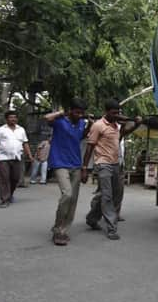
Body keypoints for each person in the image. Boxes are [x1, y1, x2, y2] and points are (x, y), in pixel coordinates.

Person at [82, 99, 141, 240]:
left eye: (118, 113)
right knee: (107, 195)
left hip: (116, 164)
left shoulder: (116, 126)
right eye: (114, 113)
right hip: (103, 164)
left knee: (115, 195)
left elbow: (124, 133)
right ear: (107, 112)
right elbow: (90, 147)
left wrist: (136, 124)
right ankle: (111, 228)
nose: (116, 115)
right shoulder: (98, 125)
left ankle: (92, 218)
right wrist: (84, 168)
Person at [45, 99, 91, 246]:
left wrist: (89, 125)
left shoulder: (81, 123)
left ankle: (63, 230)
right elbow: (47, 118)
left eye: (81, 112)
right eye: (77, 112)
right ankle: (57, 229)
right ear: (70, 110)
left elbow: (80, 137)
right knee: (67, 194)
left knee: (73, 200)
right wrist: (61, 112)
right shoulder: (60, 121)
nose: (80, 115)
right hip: (59, 163)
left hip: (76, 164)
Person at [0, 111, 34, 208]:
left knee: (15, 178)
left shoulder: (21, 130)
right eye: (11, 117)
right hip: (3, 158)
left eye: (15, 117)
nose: (13, 119)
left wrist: (30, 155)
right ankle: (5, 199)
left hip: (17, 157)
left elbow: (25, 143)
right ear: (6, 119)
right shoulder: (1, 130)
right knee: (4, 179)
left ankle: (10, 194)